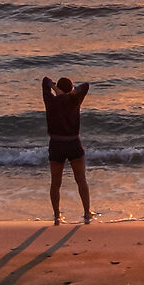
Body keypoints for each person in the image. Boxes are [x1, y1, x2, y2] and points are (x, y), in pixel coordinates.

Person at [42, 75, 92, 223]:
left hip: (56, 144)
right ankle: (87, 213)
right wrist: (71, 92)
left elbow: (45, 81)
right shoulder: (75, 100)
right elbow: (86, 85)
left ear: (58, 89)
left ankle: (57, 215)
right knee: (81, 180)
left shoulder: (51, 101)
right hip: (73, 143)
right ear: (70, 89)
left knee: (55, 183)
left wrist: (54, 87)